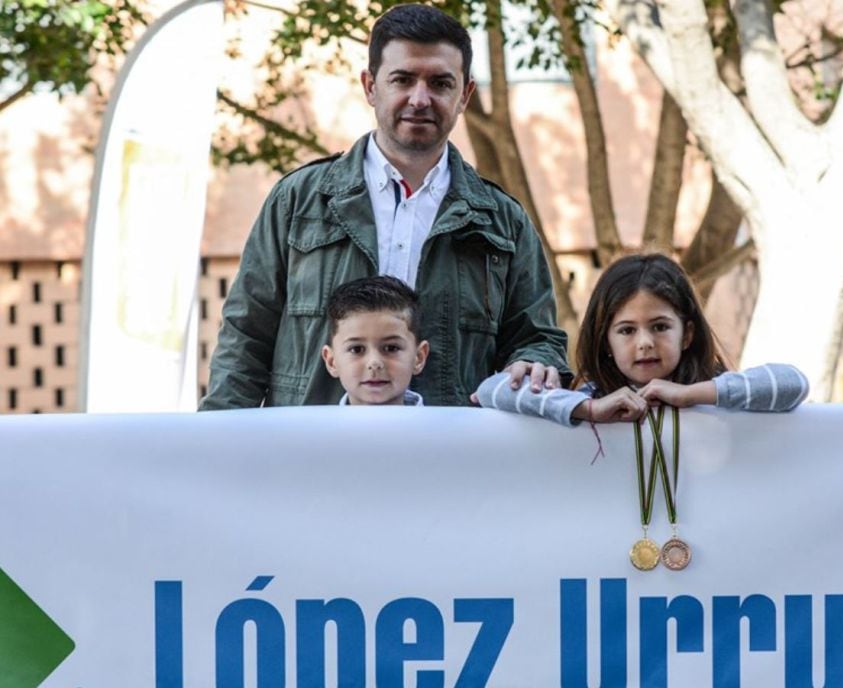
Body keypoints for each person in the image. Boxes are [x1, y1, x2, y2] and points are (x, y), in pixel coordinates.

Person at [200, 4, 568, 410]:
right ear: (371, 86)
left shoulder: (503, 221)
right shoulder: (298, 201)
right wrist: (219, 443)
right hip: (313, 453)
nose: (420, 98)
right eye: (403, 79)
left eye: (440, 83)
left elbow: (537, 338)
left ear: (464, 95)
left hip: (449, 457)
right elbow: (245, 336)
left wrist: (536, 363)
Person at [475, 254, 809, 425]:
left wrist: (690, 395)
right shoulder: (589, 396)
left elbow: (793, 383)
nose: (645, 342)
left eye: (660, 327)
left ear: (687, 334)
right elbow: (491, 391)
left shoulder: (715, 393)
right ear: (605, 341)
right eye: (626, 330)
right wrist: (589, 410)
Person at [322, 277, 429, 406]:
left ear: (419, 358)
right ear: (331, 361)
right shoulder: (313, 426)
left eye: (391, 348)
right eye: (356, 349)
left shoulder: (445, 426)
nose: (374, 363)